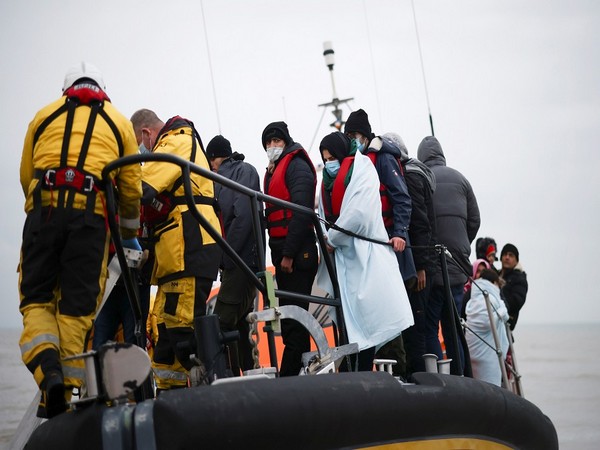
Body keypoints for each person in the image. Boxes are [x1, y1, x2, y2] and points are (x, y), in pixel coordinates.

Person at [18, 62, 142, 418]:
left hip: (44, 215)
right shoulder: (119, 123)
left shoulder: (43, 116)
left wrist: (41, 209)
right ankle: (62, 396)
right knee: (76, 310)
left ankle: (48, 373)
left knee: (36, 300)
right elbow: (130, 187)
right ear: (103, 91)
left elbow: (27, 173)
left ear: (65, 90)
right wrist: (128, 235)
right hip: (91, 222)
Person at [130, 109, 221, 390]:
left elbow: (143, 186)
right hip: (175, 253)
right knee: (164, 333)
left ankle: (213, 387)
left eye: (140, 144)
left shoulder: (176, 141)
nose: (144, 151)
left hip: (191, 245)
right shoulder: (173, 144)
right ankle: (172, 397)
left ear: (146, 133)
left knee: (182, 326)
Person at [316, 132, 413, 371]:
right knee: (354, 326)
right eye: (325, 158)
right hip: (344, 261)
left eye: (332, 157)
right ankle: (355, 373)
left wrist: (332, 238)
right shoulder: (327, 185)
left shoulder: (364, 171)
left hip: (369, 257)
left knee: (381, 321)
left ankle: (398, 374)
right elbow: (320, 215)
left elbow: (357, 216)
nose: (329, 163)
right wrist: (326, 239)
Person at [344, 110, 416, 372]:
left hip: (390, 248)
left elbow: (401, 197)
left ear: (366, 134)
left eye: (356, 135)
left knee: (391, 317)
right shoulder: (355, 163)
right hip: (368, 251)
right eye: (349, 136)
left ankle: (400, 376)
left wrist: (399, 232)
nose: (353, 140)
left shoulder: (383, 158)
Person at [417, 135, 481, 376]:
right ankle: (460, 376)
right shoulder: (461, 179)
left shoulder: (422, 178)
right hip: (458, 266)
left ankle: (439, 379)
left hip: (433, 266)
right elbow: (475, 219)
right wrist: (462, 245)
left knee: (431, 327)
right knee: (453, 327)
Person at [262, 121, 318, 376]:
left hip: (297, 256)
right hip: (282, 255)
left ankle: (289, 377)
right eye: (268, 143)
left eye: (277, 141)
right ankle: (302, 372)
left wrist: (288, 254)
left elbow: (302, 211)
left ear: (285, 142)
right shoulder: (274, 170)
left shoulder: (296, 166)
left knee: (295, 322)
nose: (272, 146)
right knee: (289, 322)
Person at [379, 132, 437, 379]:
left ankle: (418, 377)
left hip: (416, 261)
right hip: (415, 259)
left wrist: (421, 265)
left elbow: (419, 224)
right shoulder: (415, 172)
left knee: (416, 328)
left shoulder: (409, 176)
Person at [206, 134, 263, 376]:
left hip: (241, 260)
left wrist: (227, 255)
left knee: (220, 322)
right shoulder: (227, 176)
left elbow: (244, 218)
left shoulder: (240, 173)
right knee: (239, 321)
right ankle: (247, 376)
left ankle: (225, 377)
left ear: (213, 159)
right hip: (237, 259)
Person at [465, 269, 510, 386]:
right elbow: (487, 322)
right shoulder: (490, 299)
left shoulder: (473, 299)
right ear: (494, 283)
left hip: (473, 352)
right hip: (488, 357)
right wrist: (502, 310)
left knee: (477, 390)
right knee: (491, 390)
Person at [499, 243, 528, 330]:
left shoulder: (520, 279)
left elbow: (516, 303)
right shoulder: (495, 274)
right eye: (505, 254)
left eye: (511, 255)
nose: (507, 257)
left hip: (505, 325)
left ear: (516, 260)